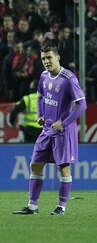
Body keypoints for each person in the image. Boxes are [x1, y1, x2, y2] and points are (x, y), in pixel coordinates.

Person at [13, 46, 87, 216]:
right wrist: (40, 115)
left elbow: (82, 104)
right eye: (43, 58)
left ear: (58, 58)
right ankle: (32, 206)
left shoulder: (68, 78)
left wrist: (65, 122)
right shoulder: (44, 76)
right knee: (35, 165)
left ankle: (61, 207)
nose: (46, 61)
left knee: (63, 168)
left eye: (49, 58)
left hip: (63, 131)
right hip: (46, 129)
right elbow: (40, 96)